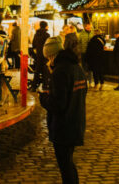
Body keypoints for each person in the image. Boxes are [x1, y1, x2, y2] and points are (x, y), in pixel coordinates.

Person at [39, 30, 87, 184]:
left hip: (63, 127)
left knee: (66, 167)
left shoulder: (60, 71)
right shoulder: (77, 68)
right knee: (68, 164)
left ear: (52, 56)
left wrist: (43, 97)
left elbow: (57, 104)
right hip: (76, 122)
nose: (47, 62)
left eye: (48, 58)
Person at [29, 21, 50, 91]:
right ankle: (45, 85)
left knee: (37, 71)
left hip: (38, 55)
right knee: (45, 71)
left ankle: (34, 86)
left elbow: (33, 44)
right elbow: (48, 45)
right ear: (45, 26)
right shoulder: (47, 35)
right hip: (45, 55)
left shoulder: (36, 34)